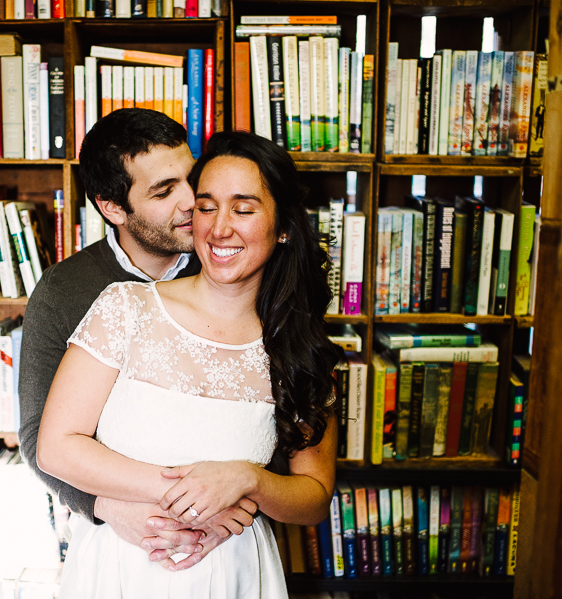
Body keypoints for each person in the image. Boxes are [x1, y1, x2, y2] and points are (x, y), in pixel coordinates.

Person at [37, 131, 343, 596]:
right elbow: (56, 447)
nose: (220, 228)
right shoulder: (125, 306)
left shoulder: (300, 347)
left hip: (235, 571)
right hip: (119, 565)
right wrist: (198, 498)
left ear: (282, 227)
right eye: (205, 206)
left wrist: (248, 481)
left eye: (243, 209)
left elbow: (314, 499)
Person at [18, 108, 254, 572]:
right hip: (123, 537)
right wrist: (106, 507)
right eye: (164, 191)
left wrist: (241, 501)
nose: (193, 201)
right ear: (112, 207)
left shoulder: (234, 265)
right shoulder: (63, 291)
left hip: (232, 532)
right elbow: (36, 435)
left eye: (192, 178)